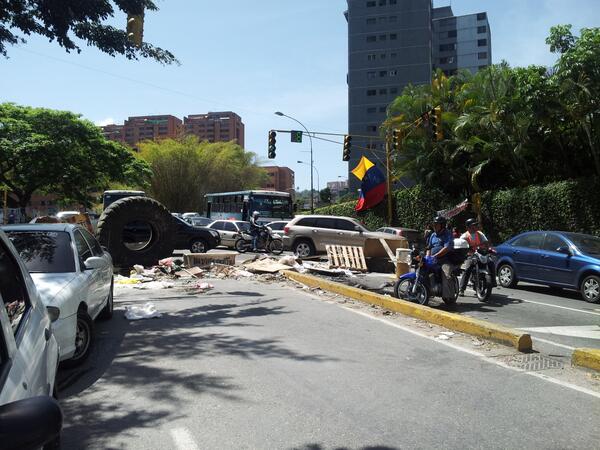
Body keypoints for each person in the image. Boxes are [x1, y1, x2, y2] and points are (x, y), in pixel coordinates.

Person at [459, 218, 497, 296]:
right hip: (471, 255)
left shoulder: (479, 233)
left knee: (491, 263)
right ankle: (462, 289)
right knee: (468, 269)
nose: (475, 226)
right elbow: (460, 246)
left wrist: (487, 248)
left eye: (476, 225)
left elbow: (486, 242)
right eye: (473, 225)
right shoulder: (464, 236)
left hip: (481, 253)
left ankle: (493, 281)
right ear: (468, 227)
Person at [426, 215, 457, 301]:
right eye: (434, 224)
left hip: (445, 260)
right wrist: (427, 257)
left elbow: (446, 248)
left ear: (442, 225)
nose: (434, 226)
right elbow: (429, 247)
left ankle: (448, 296)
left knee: (446, 274)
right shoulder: (432, 235)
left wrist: (435, 255)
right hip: (433, 260)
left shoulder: (447, 234)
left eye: (437, 224)